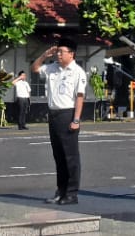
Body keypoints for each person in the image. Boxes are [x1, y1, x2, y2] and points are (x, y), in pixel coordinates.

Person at [33, 36, 87, 205]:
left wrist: (76, 119)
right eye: (57, 52)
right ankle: (60, 191)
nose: (58, 55)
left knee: (70, 157)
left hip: (68, 114)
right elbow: (34, 68)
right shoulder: (52, 68)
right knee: (59, 156)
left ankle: (71, 193)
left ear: (72, 54)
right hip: (54, 114)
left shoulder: (77, 72)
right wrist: (44, 55)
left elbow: (79, 97)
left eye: (62, 52)